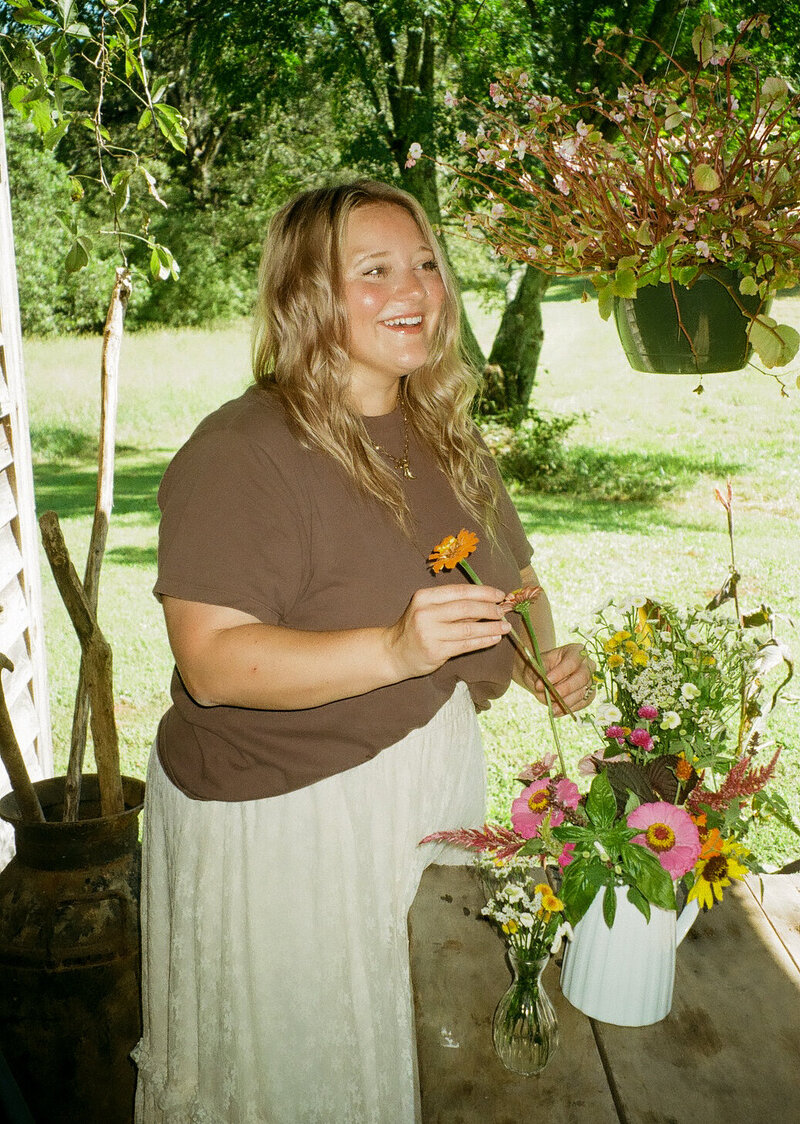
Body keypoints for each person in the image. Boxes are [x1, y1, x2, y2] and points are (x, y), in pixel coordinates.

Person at [133, 179, 594, 1124]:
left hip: (426, 783)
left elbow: (518, 573)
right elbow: (214, 662)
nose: (416, 288)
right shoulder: (240, 449)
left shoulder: (443, 428)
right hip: (289, 820)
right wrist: (394, 649)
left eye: (425, 263)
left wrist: (546, 654)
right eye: (375, 269)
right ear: (307, 294)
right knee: (303, 1072)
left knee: (409, 1046)